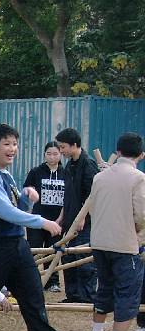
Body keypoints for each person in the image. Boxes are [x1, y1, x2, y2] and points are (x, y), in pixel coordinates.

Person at [0, 123, 73, 331]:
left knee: (33, 297)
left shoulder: (6, 174)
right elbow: (4, 212)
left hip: (16, 245)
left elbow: (17, 210)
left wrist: (25, 197)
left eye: (15, 144)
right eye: (7, 144)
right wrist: (42, 221)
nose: (12, 149)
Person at [84, 132, 145, 331]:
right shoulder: (138, 178)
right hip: (124, 243)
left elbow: (92, 207)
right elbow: (141, 214)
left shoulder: (100, 177)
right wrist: (138, 235)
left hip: (100, 241)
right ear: (141, 155)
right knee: (128, 292)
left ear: (118, 151)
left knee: (105, 287)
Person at [55, 128, 99, 303]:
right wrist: (61, 216)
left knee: (83, 259)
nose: (61, 151)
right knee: (68, 256)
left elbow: (93, 196)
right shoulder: (69, 166)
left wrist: (82, 217)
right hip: (70, 220)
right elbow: (68, 195)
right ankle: (72, 295)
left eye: (63, 147)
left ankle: (87, 296)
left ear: (74, 145)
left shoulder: (88, 165)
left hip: (84, 223)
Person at [23, 141, 65, 292]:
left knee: (53, 250)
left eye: (55, 154)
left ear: (60, 155)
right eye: (49, 154)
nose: (52, 157)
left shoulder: (65, 173)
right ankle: (30, 280)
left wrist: (61, 219)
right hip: (37, 219)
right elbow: (27, 190)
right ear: (44, 155)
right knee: (34, 250)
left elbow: (69, 198)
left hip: (57, 220)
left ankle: (52, 282)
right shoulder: (36, 172)